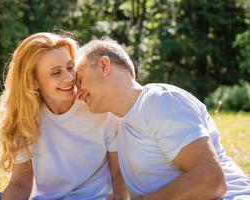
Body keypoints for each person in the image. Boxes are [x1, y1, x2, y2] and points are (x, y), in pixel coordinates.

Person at [0, 33, 129, 200]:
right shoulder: (26, 117)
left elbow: (119, 173)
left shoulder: (97, 106)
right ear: (33, 81)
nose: (69, 78)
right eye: (56, 72)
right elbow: (20, 183)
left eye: (70, 67)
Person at [75, 38, 250, 200]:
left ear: (104, 66)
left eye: (80, 79)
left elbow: (211, 180)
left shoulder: (160, 100)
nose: (78, 93)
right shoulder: (121, 125)